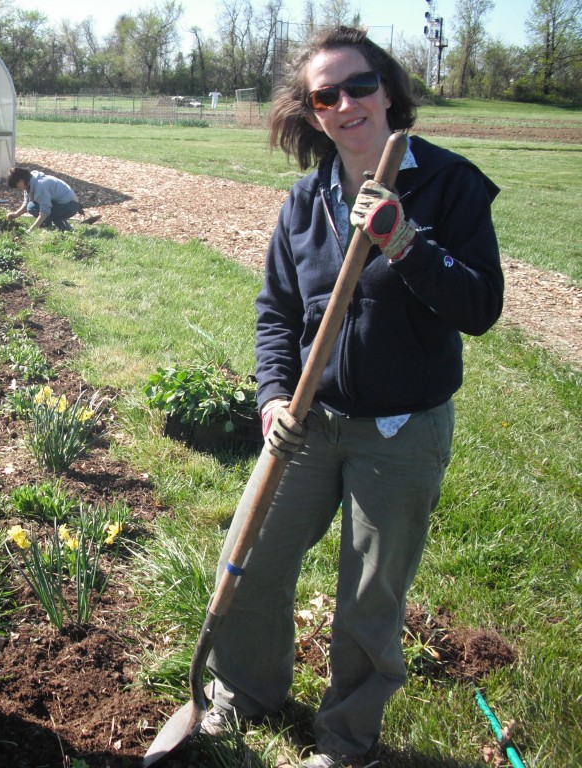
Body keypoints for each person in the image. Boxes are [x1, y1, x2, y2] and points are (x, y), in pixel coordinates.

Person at [201, 26, 503, 768]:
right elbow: (277, 311)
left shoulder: (448, 184)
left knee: (369, 598)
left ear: (389, 90)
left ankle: (345, 741)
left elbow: (480, 308)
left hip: (400, 430)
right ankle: (242, 693)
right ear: (311, 113)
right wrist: (273, 397)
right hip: (307, 422)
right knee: (253, 556)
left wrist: (405, 244)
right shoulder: (306, 203)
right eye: (325, 95)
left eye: (358, 86)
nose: (345, 104)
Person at [5, 166, 83, 232]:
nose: (18, 188)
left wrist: (31, 229)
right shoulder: (29, 183)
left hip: (70, 205)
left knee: (35, 209)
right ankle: (48, 225)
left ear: (21, 180)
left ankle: (65, 229)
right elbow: (27, 203)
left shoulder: (40, 185)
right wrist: (15, 214)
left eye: (17, 186)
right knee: (31, 207)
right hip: (61, 203)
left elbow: (45, 211)